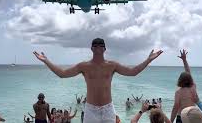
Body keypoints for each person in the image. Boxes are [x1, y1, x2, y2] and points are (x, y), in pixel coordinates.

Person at [33, 38, 163, 123]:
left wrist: (148, 60)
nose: (98, 47)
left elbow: (133, 72)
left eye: (101, 45)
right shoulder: (83, 66)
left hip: (108, 109)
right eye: (95, 45)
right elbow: (62, 74)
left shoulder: (112, 65)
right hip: (90, 109)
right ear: (91, 48)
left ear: (105, 49)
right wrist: (46, 61)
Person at [170, 50, 197, 123]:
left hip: (182, 117)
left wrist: (170, 121)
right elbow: (188, 72)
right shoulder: (193, 87)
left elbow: (175, 107)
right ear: (190, 79)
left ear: (179, 80)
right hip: (193, 116)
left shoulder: (178, 91)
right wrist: (184, 60)